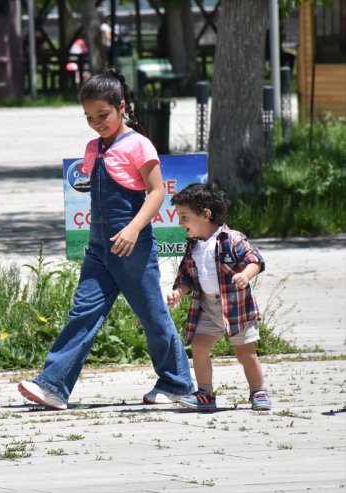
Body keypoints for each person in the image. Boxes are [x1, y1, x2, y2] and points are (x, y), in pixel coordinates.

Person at [17, 69, 193, 410]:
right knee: (82, 312)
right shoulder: (92, 148)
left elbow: (157, 193)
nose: (97, 123)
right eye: (89, 117)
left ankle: (176, 383)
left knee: (153, 316)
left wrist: (132, 229)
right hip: (99, 250)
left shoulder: (139, 145)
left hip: (133, 247)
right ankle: (53, 385)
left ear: (122, 107)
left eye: (103, 115)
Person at [167, 183, 271, 411]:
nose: (180, 223)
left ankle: (258, 390)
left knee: (246, 353)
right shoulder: (193, 246)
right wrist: (178, 292)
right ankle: (205, 393)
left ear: (205, 214)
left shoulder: (232, 239)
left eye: (184, 217)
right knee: (199, 348)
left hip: (236, 306)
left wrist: (245, 275)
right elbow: (186, 277)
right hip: (207, 307)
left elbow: (255, 259)